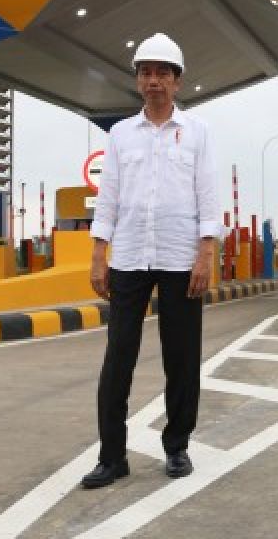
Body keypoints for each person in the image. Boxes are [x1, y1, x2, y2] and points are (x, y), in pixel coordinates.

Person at [81, 33, 220, 489]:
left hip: (181, 258)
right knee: (118, 357)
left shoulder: (197, 133)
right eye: (146, 72)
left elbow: (208, 196)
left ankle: (176, 446)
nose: (153, 80)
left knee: (181, 358)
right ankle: (111, 456)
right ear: (138, 81)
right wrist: (99, 254)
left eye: (162, 72)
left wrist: (206, 253)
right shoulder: (120, 135)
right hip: (131, 257)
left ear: (177, 82)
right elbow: (109, 199)